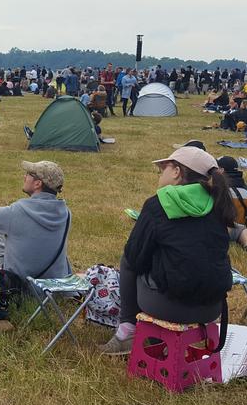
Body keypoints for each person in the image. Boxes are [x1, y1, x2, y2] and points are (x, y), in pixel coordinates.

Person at [100, 147, 234, 355]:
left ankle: (127, 330)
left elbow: (135, 257)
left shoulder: (158, 204)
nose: (160, 173)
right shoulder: (218, 203)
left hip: (169, 307)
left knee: (128, 260)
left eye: (164, 167)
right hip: (212, 308)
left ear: (177, 171)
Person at [0, 161, 72, 284]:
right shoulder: (65, 212)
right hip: (54, 285)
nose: (24, 177)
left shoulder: (18, 211)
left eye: (28, 174)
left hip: (18, 286)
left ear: (38, 183)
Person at [216, 156, 247, 249]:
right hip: (244, 227)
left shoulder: (220, 187)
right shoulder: (245, 189)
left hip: (224, 228)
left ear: (221, 170)